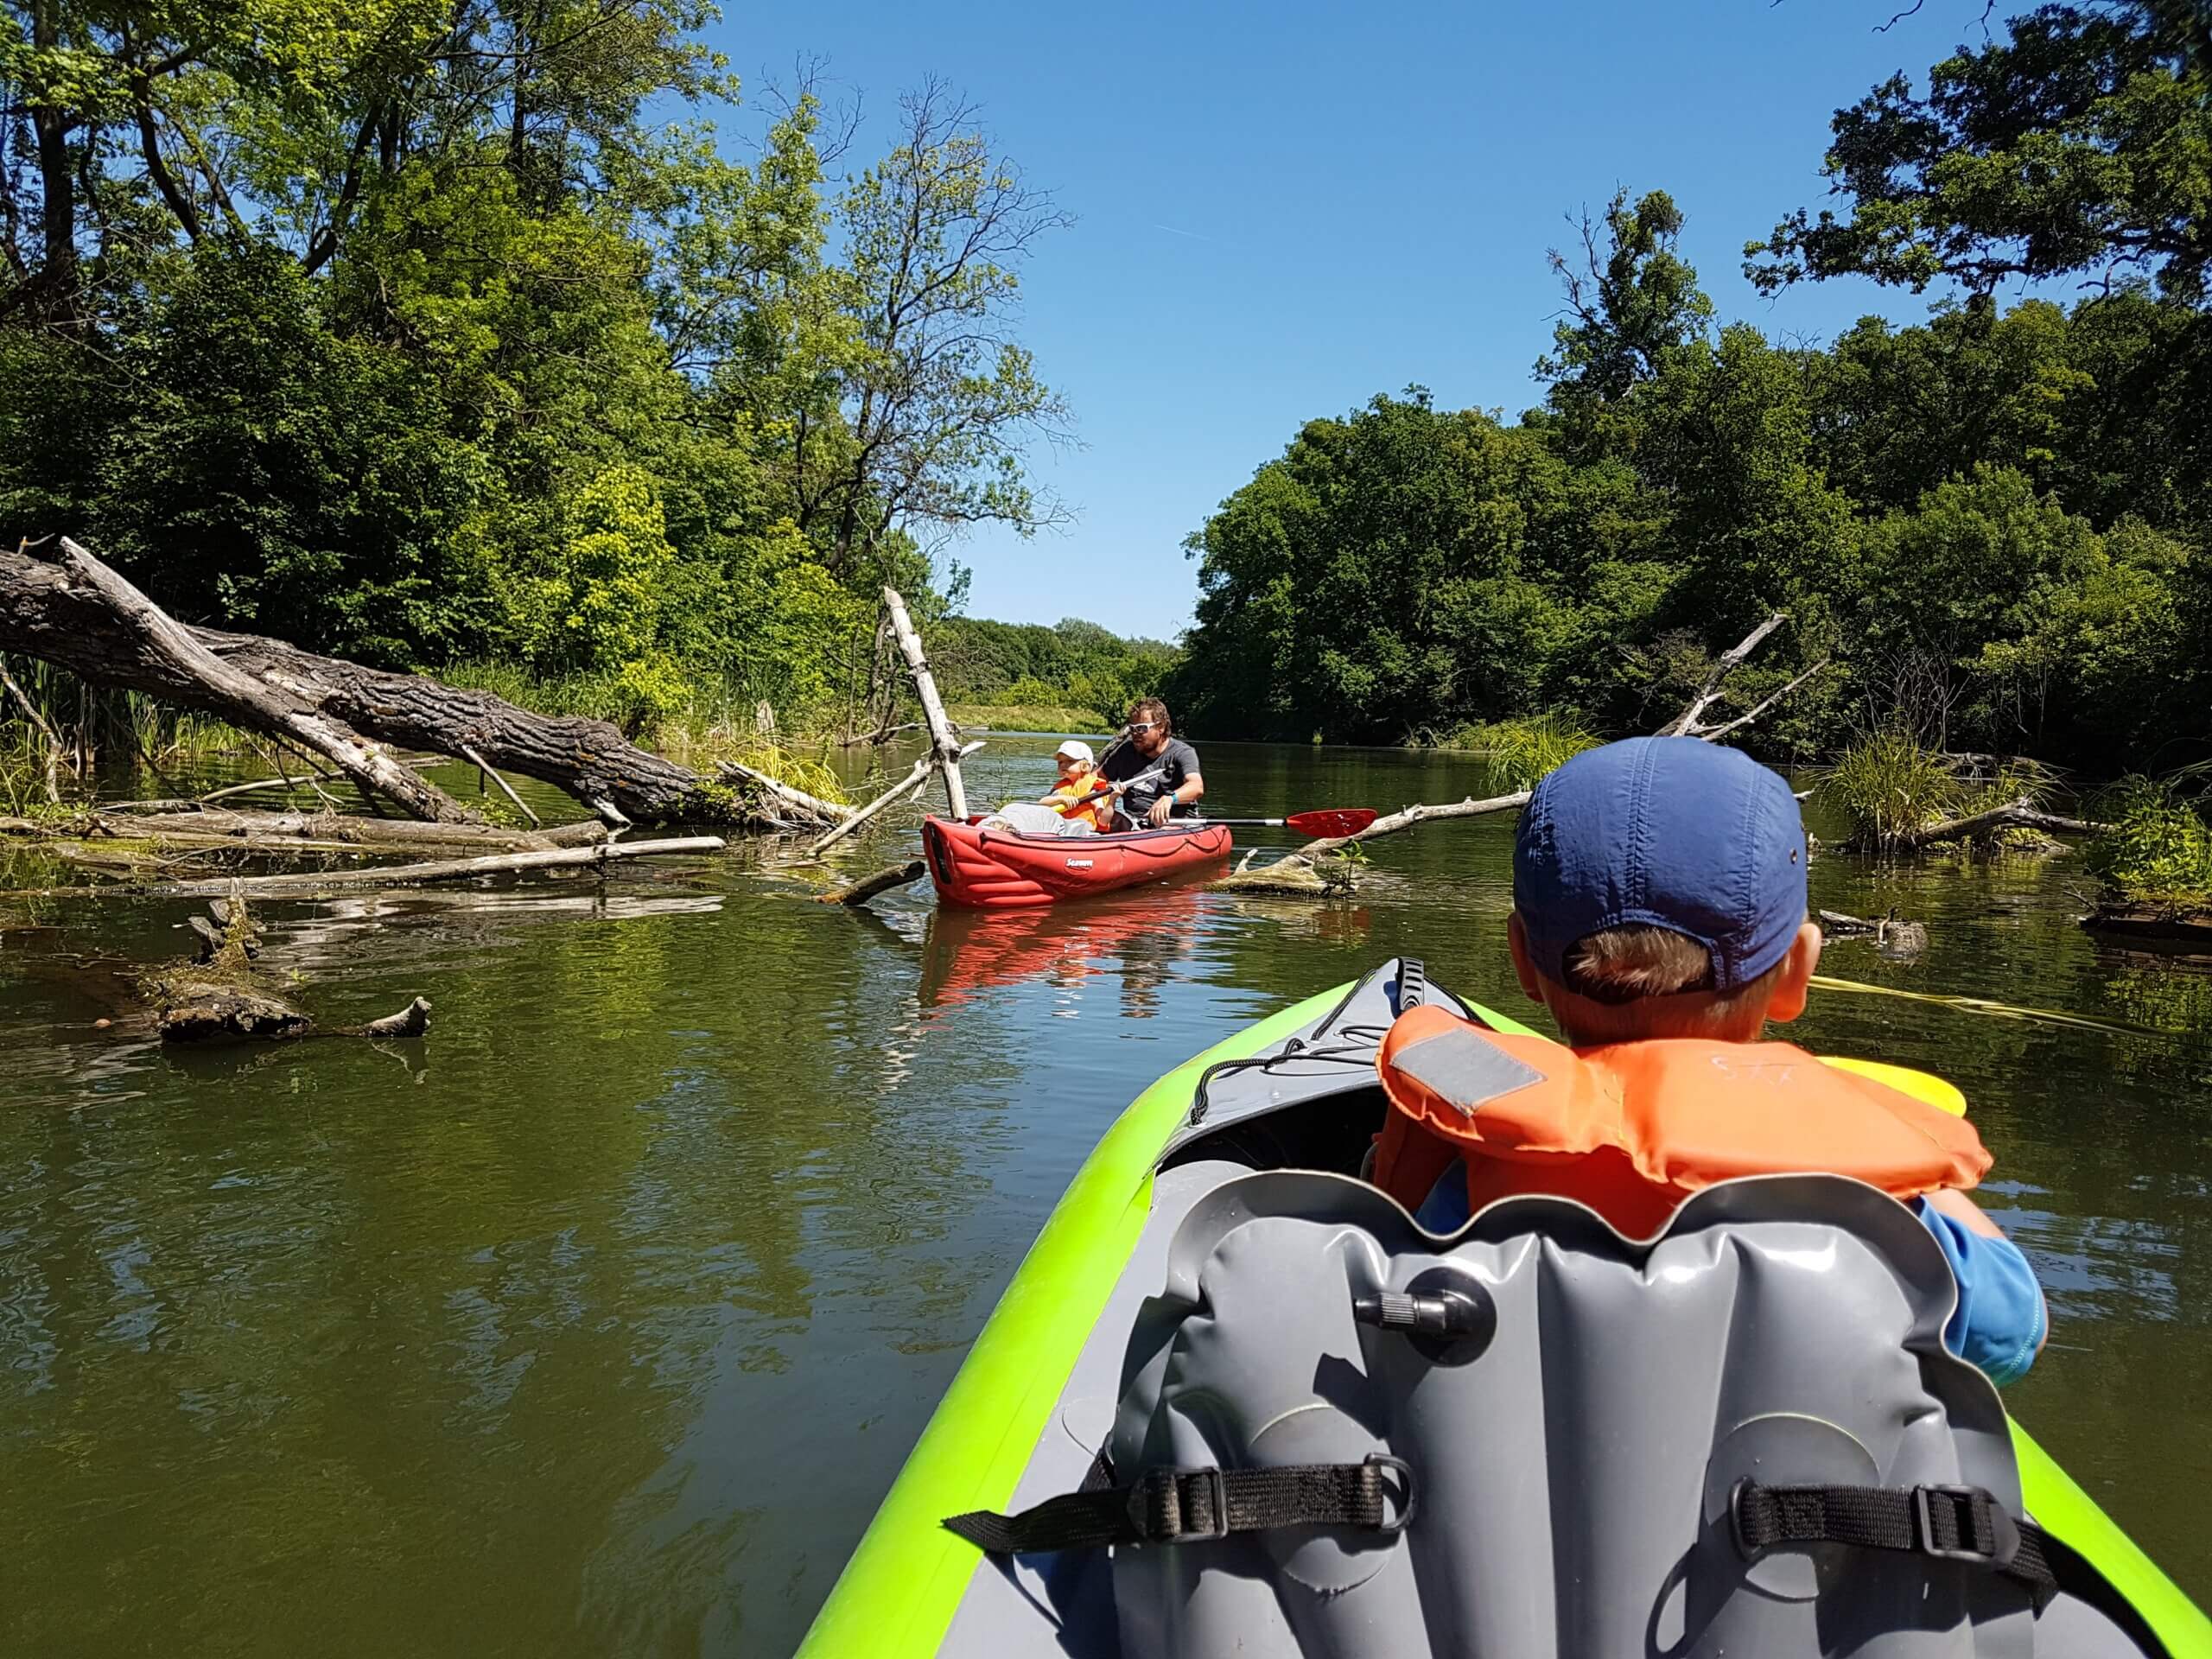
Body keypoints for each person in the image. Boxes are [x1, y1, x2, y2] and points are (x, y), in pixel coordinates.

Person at [1371, 735, 2047, 1388]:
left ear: (1521, 958)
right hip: (1793, 1498)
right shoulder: (1877, 1207)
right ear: (1797, 973)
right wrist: (1920, 1176)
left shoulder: (1476, 1177)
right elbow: (2012, 1335)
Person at [1099, 698, 1205, 829]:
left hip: (1173, 823)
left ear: (1161, 727)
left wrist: (1169, 799)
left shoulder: (1183, 753)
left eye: (1142, 728)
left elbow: (1196, 786)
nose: (1135, 734)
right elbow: (1097, 778)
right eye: (1132, 729)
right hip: (1134, 822)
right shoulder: (1125, 751)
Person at [1040, 739, 1112, 831]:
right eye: (1060, 762)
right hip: (1061, 832)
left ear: (1085, 766)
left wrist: (1112, 799)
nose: (1063, 765)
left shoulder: (1094, 789)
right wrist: (1061, 798)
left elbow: (1103, 821)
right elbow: (1042, 803)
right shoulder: (1060, 788)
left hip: (1085, 834)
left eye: (1070, 761)